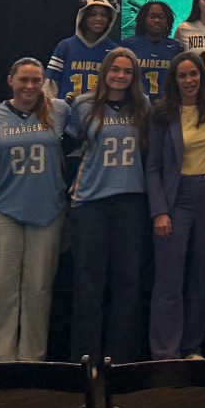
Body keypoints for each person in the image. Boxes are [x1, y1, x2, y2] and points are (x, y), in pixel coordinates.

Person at [66, 48, 150, 363]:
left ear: (134, 76)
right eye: (115, 69)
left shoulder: (144, 106)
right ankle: (85, 358)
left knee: (128, 282)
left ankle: (122, 358)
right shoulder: (83, 105)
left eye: (127, 71)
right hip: (91, 202)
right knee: (89, 283)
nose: (120, 76)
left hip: (131, 200)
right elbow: (69, 141)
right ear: (105, 72)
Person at [0, 57, 69, 362]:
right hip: (3, 210)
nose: (30, 86)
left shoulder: (60, 110)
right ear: (11, 81)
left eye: (36, 80)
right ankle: (1, 360)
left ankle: (33, 360)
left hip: (47, 209)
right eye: (24, 80)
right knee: (2, 289)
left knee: (39, 289)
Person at [146, 51, 205, 361]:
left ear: (201, 76)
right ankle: (166, 353)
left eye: (194, 74)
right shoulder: (161, 113)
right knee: (169, 278)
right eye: (183, 75)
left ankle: (192, 347)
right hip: (176, 198)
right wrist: (160, 210)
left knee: (201, 277)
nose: (189, 80)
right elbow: (152, 165)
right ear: (174, 79)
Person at [44, 0, 118, 101]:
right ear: (83, 16)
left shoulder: (114, 51)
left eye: (104, 15)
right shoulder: (65, 46)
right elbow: (50, 86)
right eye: (92, 14)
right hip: (68, 113)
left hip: (100, 113)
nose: (98, 18)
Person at [124, 1, 183, 102]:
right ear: (143, 19)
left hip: (165, 106)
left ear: (167, 20)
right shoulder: (128, 45)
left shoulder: (175, 47)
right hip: (136, 106)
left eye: (161, 17)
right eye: (152, 17)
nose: (157, 20)